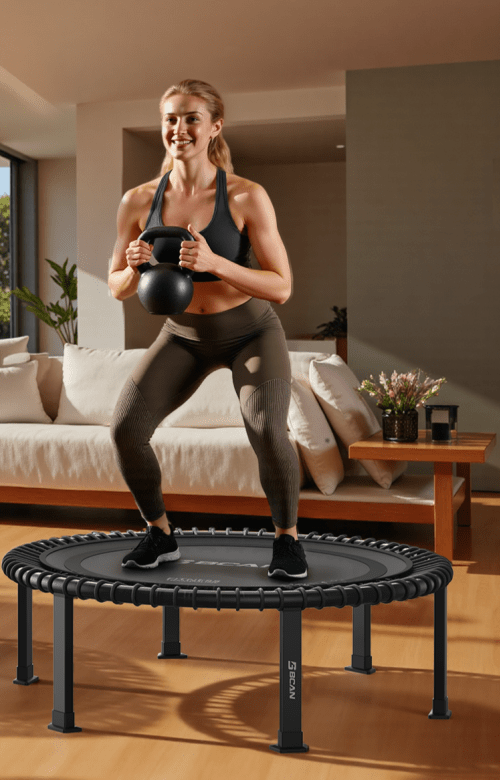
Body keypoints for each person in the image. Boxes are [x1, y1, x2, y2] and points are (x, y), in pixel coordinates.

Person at [107, 79, 307, 579]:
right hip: (182, 336)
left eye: (191, 118)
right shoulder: (137, 201)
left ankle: (287, 541)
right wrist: (133, 266)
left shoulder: (245, 196)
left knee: (265, 426)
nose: (179, 129)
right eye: (171, 119)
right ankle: (160, 533)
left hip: (251, 333)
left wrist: (217, 262)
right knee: (125, 430)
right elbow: (116, 287)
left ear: (215, 126)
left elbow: (281, 286)